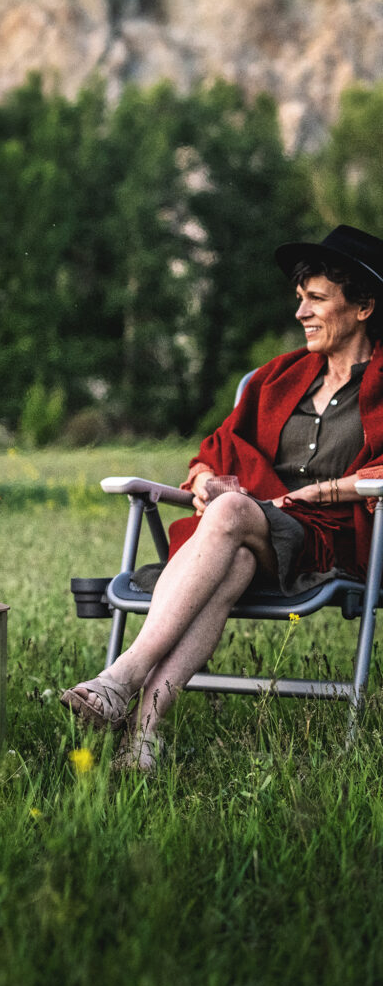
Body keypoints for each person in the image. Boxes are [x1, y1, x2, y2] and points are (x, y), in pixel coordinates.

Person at [63, 225, 383, 772]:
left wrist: (326, 489)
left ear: (363, 307)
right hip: (256, 536)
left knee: (234, 515)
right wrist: (208, 480)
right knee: (230, 555)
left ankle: (121, 675)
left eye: (317, 299)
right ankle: (143, 738)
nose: (302, 312)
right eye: (300, 299)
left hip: (331, 540)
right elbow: (218, 447)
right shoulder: (281, 377)